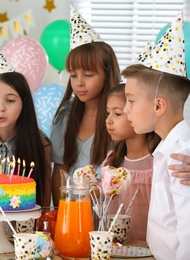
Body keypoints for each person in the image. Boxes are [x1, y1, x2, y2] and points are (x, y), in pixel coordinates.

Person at [122, 12, 190, 259]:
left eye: (131, 101)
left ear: (158, 106)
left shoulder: (183, 156)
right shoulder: (167, 148)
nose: (125, 110)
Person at [0, 32, 52, 207]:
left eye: (10, 100)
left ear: (24, 104)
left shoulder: (40, 143)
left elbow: (43, 203)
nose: (0, 107)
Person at [50, 6, 120, 206]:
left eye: (88, 75)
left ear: (106, 74)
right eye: (73, 75)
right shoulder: (66, 115)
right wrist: (62, 210)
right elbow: (60, 170)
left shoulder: (120, 117)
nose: (79, 82)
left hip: (107, 207)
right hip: (73, 207)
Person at [102, 83, 161, 240]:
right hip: (113, 251)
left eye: (118, 114)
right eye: (108, 113)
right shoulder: (112, 161)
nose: (108, 120)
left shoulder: (158, 163)